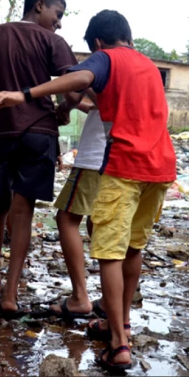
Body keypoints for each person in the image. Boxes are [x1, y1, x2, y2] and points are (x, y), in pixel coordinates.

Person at [0, 10, 177, 371]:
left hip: (124, 165)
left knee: (109, 252)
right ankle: (116, 322)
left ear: (99, 44)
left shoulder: (105, 58)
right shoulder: (150, 66)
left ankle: (119, 343)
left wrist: (22, 94)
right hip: (161, 167)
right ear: (130, 38)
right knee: (134, 246)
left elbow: (82, 76)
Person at [0, 0, 78, 315]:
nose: (59, 23)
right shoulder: (53, 41)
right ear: (40, 5)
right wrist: (65, 109)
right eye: (58, 14)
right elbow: (75, 90)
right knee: (23, 212)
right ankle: (10, 294)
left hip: (0, 133)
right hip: (39, 133)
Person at [47, 94, 105, 319]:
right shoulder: (138, 69)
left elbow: (79, 90)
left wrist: (65, 103)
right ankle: (111, 298)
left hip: (94, 157)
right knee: (98, 223)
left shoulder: (107, 63)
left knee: (67, 219)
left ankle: (80, 298)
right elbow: (98, 105)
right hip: (112, 156)